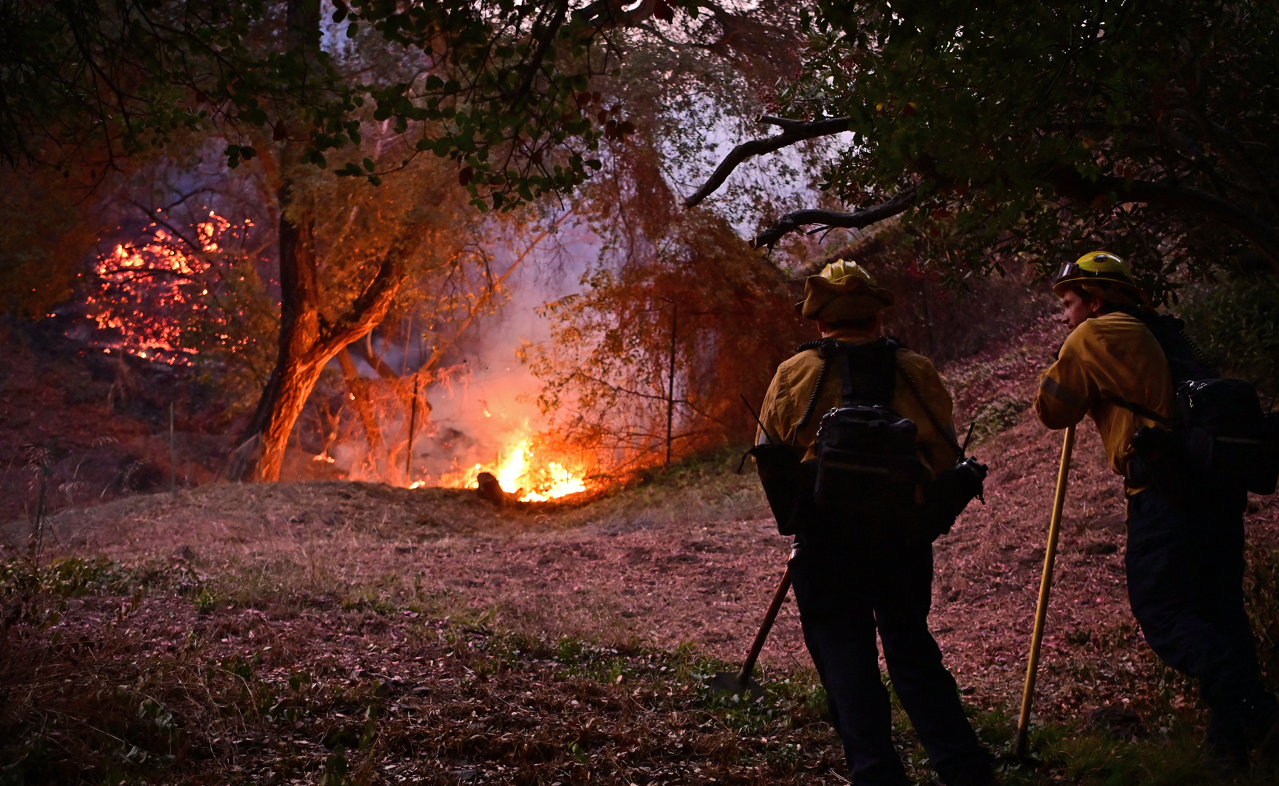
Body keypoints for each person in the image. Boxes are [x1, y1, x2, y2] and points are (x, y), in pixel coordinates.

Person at [1034, 250, 1279, 773]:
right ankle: (1227, 748)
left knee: (1163, 614)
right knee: (1219, 612)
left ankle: (1260, 715)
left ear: (1095, 300)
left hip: (1163, 496)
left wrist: (1064, 354)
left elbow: (1051, 410)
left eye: (1071, 303)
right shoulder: (1164, 333)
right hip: (1214, 490)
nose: (1066, 315)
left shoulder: (1095, 335)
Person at [758, 259, 997, 786]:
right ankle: (964, 768)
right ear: (876, 317)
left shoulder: (793, 374)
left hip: (825, 545)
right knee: (911, 647)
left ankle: (875, 773)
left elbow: (770, 456)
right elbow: (942, 456)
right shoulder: (917, 370)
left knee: (846, 656)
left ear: (819, 320)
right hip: (901, 540)